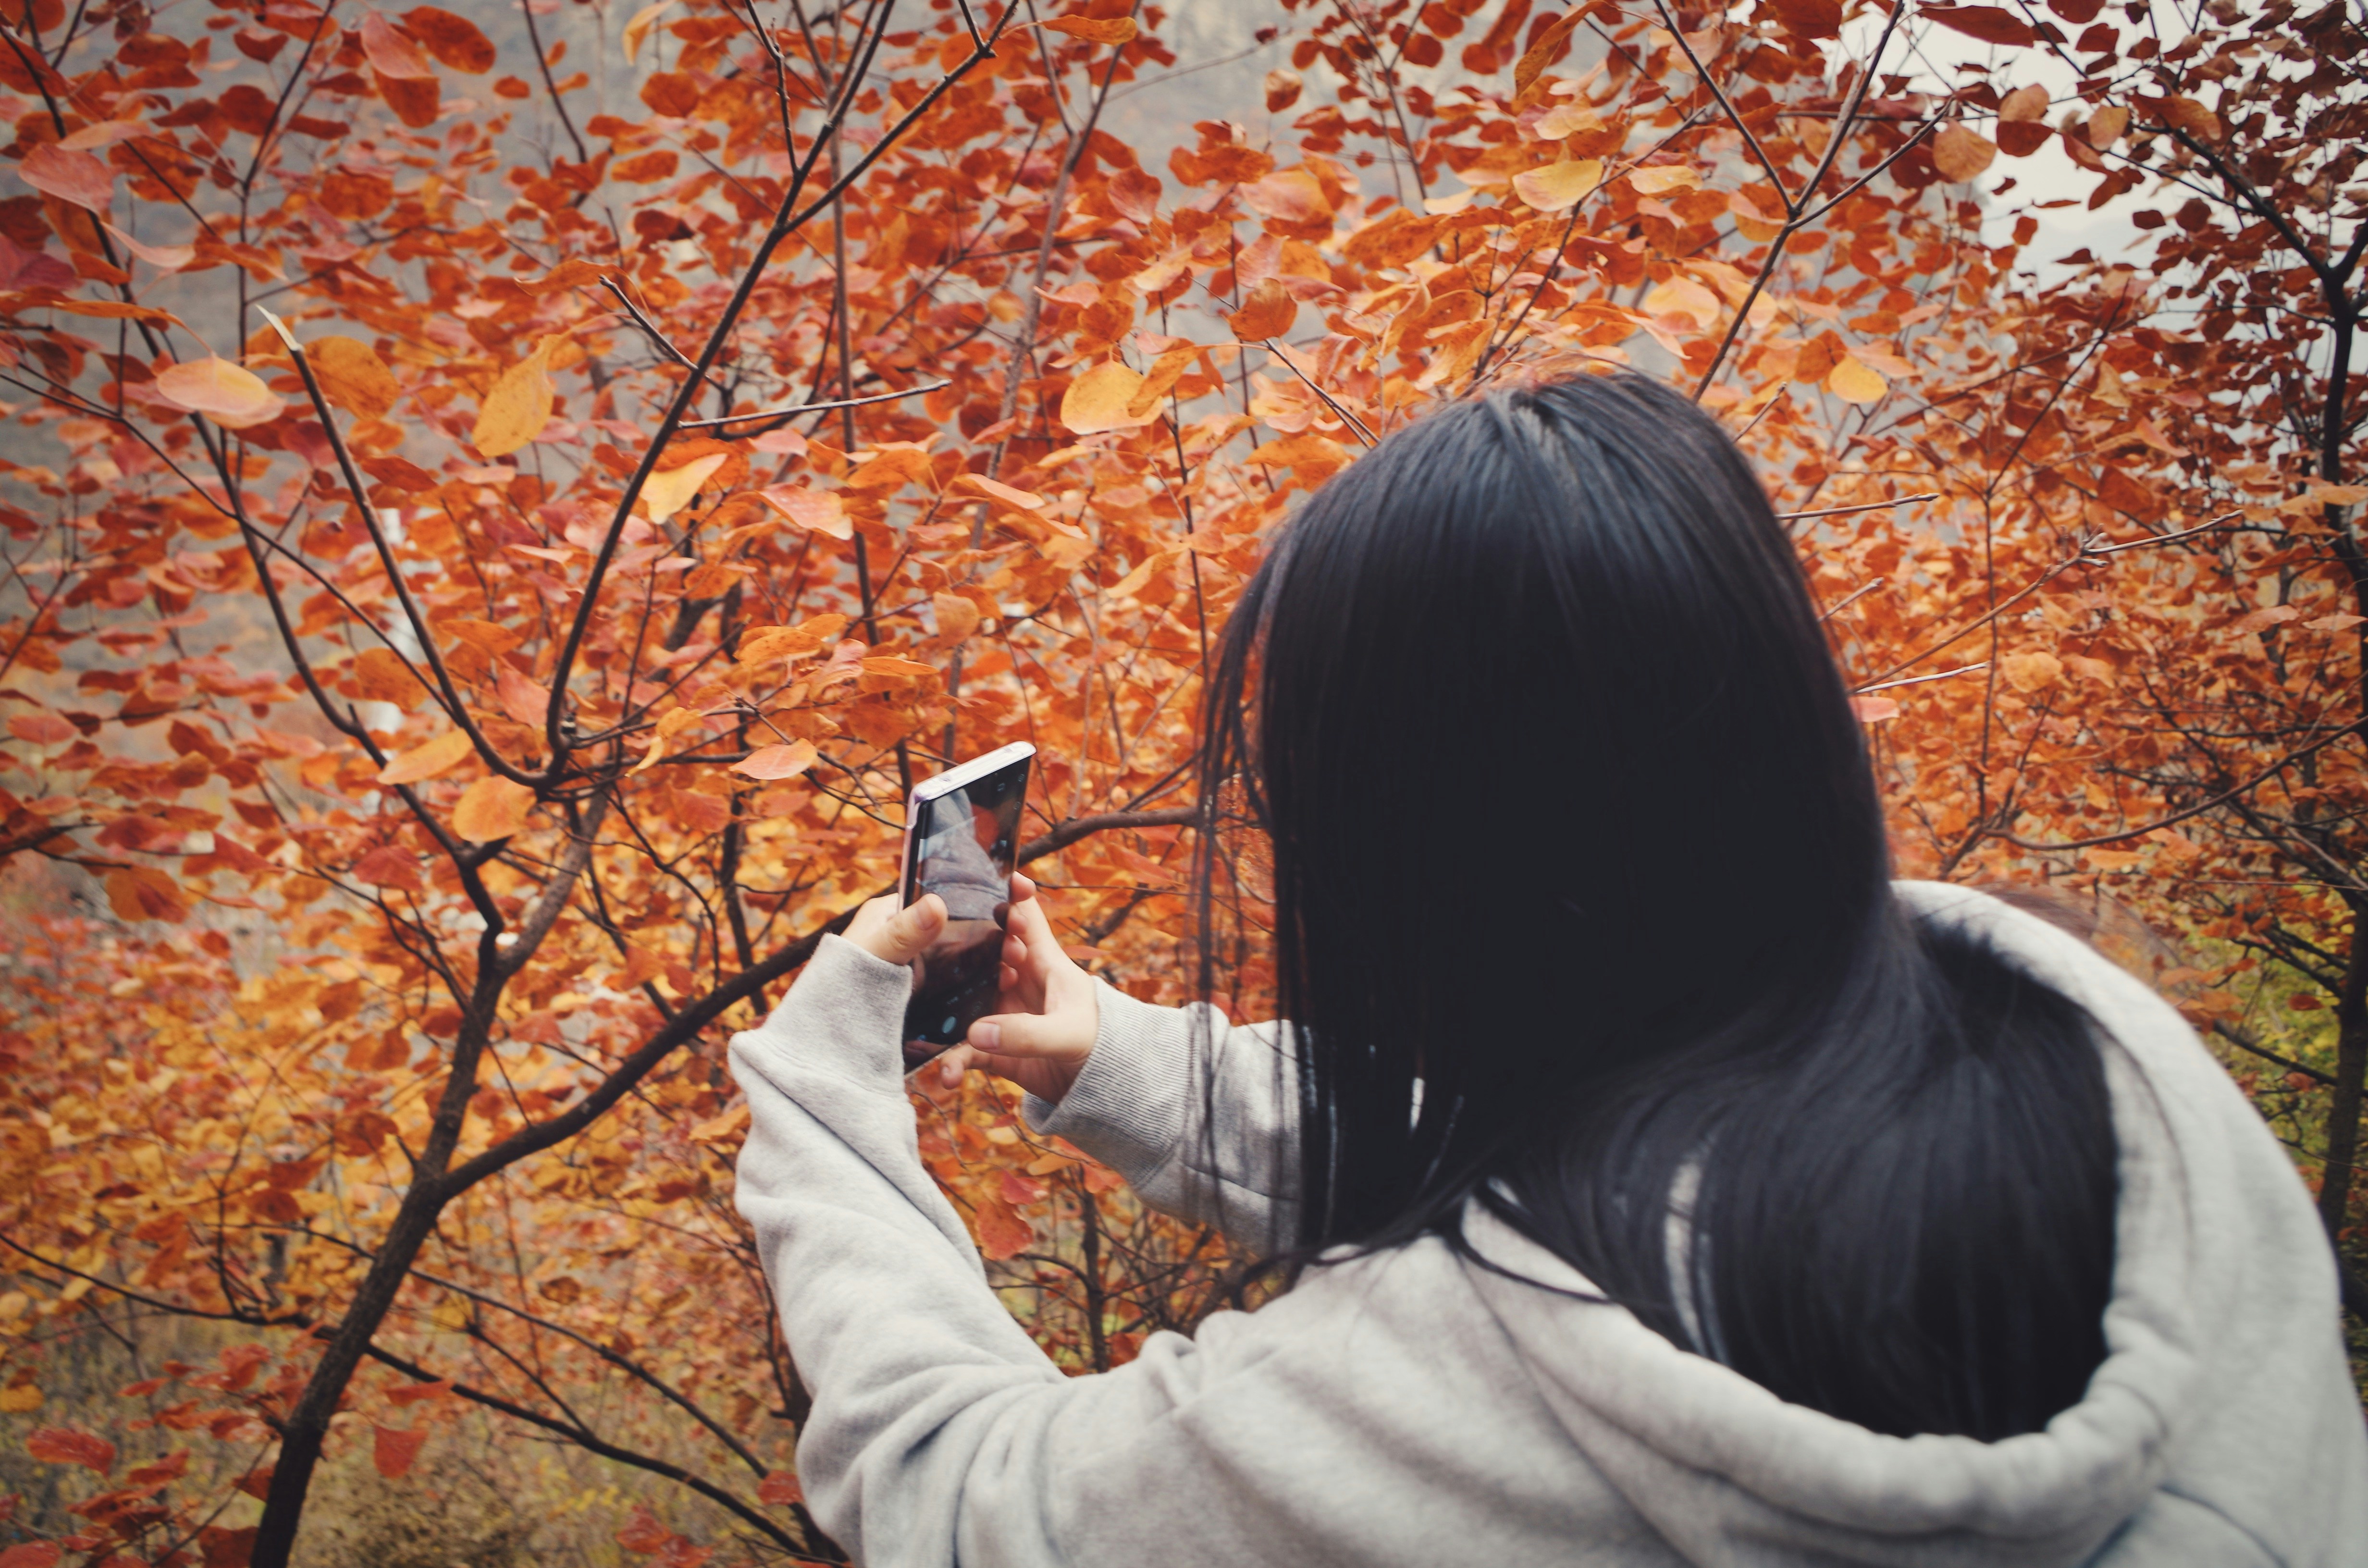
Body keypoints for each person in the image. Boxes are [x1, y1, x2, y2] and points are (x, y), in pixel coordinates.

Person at [729, 374, 2367, 1567]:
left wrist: (825, 1072)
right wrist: (1126, 1061)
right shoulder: (2077, 1033)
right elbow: (1596, 1151)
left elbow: (953, 1485)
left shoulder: (1472, 1388)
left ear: (1418, 865)